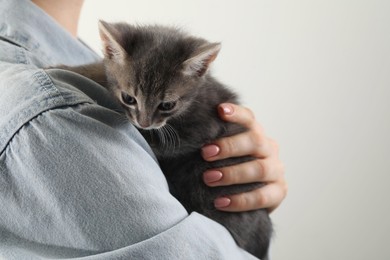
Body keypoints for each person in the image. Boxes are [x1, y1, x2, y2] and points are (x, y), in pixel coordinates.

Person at [0, 0, 287, 259]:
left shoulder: (77, 60)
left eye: (164, 106)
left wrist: (252, 199)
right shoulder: (54, 109)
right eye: (130, 101)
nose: (144, 121)